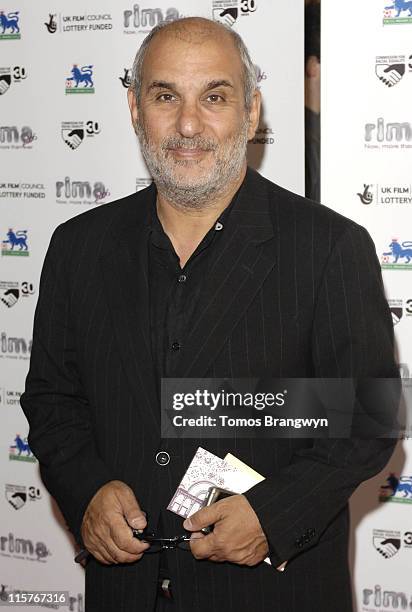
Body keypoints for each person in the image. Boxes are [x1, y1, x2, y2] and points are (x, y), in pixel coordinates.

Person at [20, 16, 398, 612]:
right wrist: (87, 490)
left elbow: (366, 415)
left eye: (214, 97)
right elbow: (52, 399)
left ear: (250, 113)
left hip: (272, 593)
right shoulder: (78, 245)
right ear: (134, 108)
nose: (189, 124)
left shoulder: (329, 248)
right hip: (124, 591)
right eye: (165, 95)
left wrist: (272, 516)